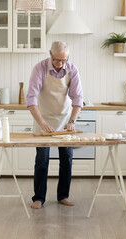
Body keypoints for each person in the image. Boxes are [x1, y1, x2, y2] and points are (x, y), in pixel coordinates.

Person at [26, 41, 83, 209]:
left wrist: (72, 121)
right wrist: (42, 123)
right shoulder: (39, 69)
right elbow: (31, 99)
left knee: (66, 158)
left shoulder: (72, 69)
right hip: (43, 119)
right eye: (57, 60)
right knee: (42, 159)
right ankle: (39, 198)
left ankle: (63, 195)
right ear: (50, 54)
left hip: (64, 120)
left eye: (64, 60)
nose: (60, 64)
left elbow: (77, 98)